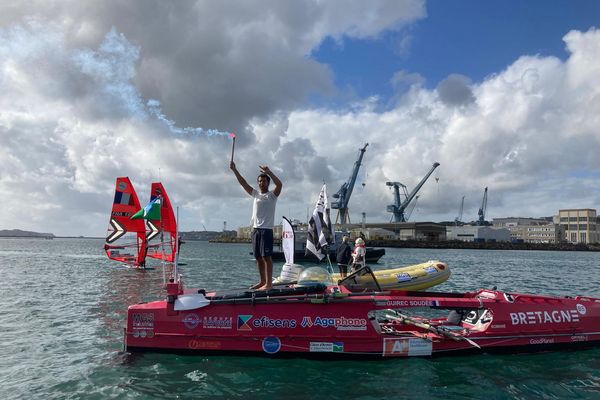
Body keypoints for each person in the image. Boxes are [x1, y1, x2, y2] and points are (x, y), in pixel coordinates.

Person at [230, 161, 282, 290]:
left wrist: (268, 172)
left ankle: (269, 284)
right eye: (259, 181)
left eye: (264, 181)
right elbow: (243, 183)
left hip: (266, 230)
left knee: (266, 256)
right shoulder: (255, 194)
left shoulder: (272, 196)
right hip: (255, 230)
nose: (261, 183)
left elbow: (280, 184)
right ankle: (262, 281)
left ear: (267, 183)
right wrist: (235, 170)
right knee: (258, 257)